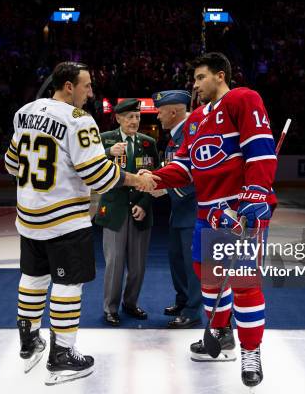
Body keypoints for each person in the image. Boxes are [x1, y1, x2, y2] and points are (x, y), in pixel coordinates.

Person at [3, 62, 155, 385]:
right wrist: (135, 181)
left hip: (28, 218)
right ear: (69, 86)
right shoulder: (78, 120)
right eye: (86, 86)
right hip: (64, 220)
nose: (90, 93)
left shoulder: (24, 112)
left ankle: (28, 344)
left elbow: (10, 164)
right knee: (67, 285)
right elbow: (97, 176)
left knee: (32, 277)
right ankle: (62, 355)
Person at [142, 52, 277, 388]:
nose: (196, 85)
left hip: (236, 212)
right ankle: (221, 336)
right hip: (208, 214)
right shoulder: (197, 118)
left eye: (200, 78)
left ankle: (250, 351)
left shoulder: (244, 98)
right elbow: (185, 166)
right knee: (208, 282)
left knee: (244, 285)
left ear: (220, 75)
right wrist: (153, 178)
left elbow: (260, 149)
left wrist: (256, 193)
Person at [93, 98, 160, 326]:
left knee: (138, 265)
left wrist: (144, 203)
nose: (135, 121)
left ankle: (130, 303)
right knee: (115, 263)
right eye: (130, 117)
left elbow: (156, 178)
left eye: (138, 116)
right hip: (114, 211)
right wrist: (108, 152)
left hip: (140, 210)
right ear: (118, 118)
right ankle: (110, 308)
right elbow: (89, 165)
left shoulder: (149, 143)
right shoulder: (105, 140)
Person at [152, 90, 202, 328]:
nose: (158, 117)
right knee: (177, 261)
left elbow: (196, 175)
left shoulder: (192, 134)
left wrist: (164, 188)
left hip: (193, 211)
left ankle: (192, 311)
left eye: (160, 112)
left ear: (174, 111)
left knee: (193, 266)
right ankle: (183, 301)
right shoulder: (175, 137)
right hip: (178, 212)